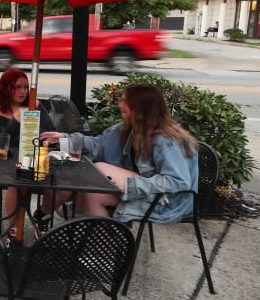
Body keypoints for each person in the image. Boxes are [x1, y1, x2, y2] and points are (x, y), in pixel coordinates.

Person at [38, 83, 198, 225]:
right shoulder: (127, 127)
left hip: (166, 202)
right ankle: (99, 242)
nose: (120, 105)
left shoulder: (166, 141)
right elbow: (99, 144)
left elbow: (178, 181)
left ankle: (101, 246)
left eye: (124, 101)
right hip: (143, 190)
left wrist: (131, 185)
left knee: (96, 177)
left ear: (140, 108)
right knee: (88, 188)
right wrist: (66, 139)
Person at [0, 69, 54, 242]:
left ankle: (41, 216)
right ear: (6, 88)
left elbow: (50, 131)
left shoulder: (35, 105)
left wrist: (45, 134)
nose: (23, 91)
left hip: (36, 159)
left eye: (26, 87)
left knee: (62, 187)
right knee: (15, 182)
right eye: (17, 87)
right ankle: (14, 229)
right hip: (5, 163)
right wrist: (16, 121)